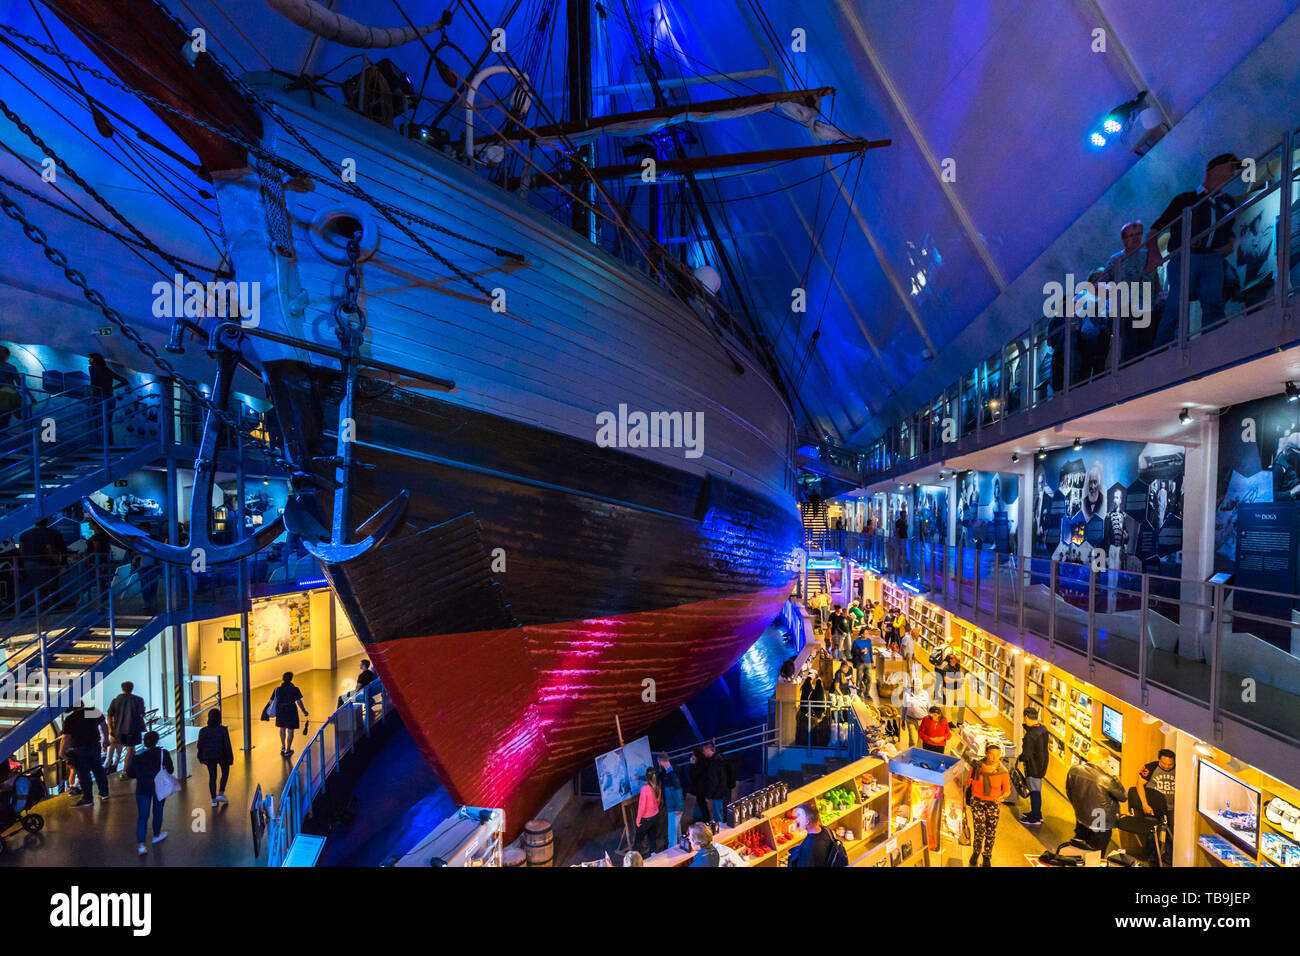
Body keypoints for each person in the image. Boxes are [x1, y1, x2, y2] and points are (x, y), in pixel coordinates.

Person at [1147, 152, 1241, 350]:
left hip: (1212, 258)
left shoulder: (1227, 202)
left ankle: (1212, 344)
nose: (1233, 172)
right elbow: (1156, 228)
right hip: (1185, 256)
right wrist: (1154, 254)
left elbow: (1230, 229)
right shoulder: (1186, 199)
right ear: (1215, 169)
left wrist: (1229, 243)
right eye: (1230, 167)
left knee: (1213, 301)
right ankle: (1160, 349)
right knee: (1176, 304)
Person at [1100, 219, 1161, 358]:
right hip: (1126, 309)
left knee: (1147, 344)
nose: (1135, 238)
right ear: (1124, 239)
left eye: (1138, 234)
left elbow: (1154, 279)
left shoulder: (1147, 255)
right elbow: (1102, 282)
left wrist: (1159, 295)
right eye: (1131, 235)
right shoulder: (1117, 259)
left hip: (1147, 307)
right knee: (1130, 346)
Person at [1065, 760, 1127, 853]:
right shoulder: (1106, 778)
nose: (1108, 764)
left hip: (1081, 816)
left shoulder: (1074, 770)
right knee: (1096, 854)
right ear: (1101, 761)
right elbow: (1123, 796)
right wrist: (1114, 777)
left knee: (1079, 849)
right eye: (1107, 761)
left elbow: (1069, 790)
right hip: (1100, 820)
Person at [127, 730, 173, 855]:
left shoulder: (137, 756)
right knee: (158, 811)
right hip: (159, 787)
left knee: (142, 817)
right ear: (157, 741)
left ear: (144, 742)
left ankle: (141, 845)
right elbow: (171, 769)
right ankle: (156, 835)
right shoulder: (163, 753)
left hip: (142, 788)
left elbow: (130, 774)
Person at [967, 743, 1010, 867]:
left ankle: (987, 857)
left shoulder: (1003, 771)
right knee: (979, 830)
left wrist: (1002, 797)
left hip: (993, 804)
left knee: (991, 832)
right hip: (978, 802)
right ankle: (976, 852)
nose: (995, 758)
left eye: (997, 755)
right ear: (986, 753)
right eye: (992, 754)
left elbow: (1007, 790)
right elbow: (968, 782)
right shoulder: (977, 766)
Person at [60, 703, 110, 806]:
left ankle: (88, 799)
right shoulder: (92, 711)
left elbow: (66, 738)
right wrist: (106, 739)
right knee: (98, 770)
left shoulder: (70, 719)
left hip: (79, 749)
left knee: (83, 775)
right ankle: (104, 793)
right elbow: (104, 725)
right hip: (95, 745)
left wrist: (62, 752)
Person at [262, 672, 309, 756]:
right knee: (290, 730)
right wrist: (304, 711)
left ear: (283, 679)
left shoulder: (277, 689)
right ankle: (288, 749)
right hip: (291, 710)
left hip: (280, 711)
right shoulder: (294, 689)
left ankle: (283, 746)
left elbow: (271, 701)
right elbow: (299, 701)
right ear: (291, 679)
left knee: (282, 729)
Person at [1017, 707, 1049, 825]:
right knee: (1037, 790)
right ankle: (1037, 813)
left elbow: (1026, 754)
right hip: (1042, 765)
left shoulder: (1030, 736)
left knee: (1035, 792)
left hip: (1033, 767)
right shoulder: (1043, 729)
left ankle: (1034, 818)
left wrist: (1020, 758)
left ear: (1026, 717)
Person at [87, 352, 128, 446]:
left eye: (91, 358)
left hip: (100, 398)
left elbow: (94, 382)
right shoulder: (108, 370)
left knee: (98, 421)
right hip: (110, 398)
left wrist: (92, 394)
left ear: (95, 359)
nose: (89, 360)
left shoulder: (92, 368)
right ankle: (110, 444)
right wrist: (113, 388)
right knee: (107, 422)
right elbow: (125, 381)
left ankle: (100, 444)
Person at [106, 681, 146, 775]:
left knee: (128, 750)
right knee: (130, 749)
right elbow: (141, 714)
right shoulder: (138, 699)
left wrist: (111, 729)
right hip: (132, 728)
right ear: (132, 688)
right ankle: (125, 771)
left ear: (122, 688)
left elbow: (109, 715)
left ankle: (131, 768)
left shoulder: (115, 700)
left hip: (118, 730)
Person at [196, 708, 234, 807]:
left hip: (209, 756)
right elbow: (227, 745)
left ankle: (213, 800)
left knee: (212, 777)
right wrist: (230, 758)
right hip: (222, 755)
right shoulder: (223, 730)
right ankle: (221, 793)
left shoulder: (203, 731)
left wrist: (200, 757)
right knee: (225, 771)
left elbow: (200, 745)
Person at [789, 801, 835, 867]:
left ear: (807, 821)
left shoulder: (808, 847)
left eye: (799, 816)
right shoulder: (826, 830)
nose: (797, 819)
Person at [1137, 749, 1176, 826]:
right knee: (1151, 831)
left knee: (1171, 833)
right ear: (1159, 760)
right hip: (1153, 807)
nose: (1167, 766)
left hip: (1171, 808)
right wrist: (1145, 804)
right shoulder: (1150, 767)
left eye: (1170, 764)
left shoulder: (1179, 770)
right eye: (1164, 763)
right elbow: (1139, 784)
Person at [656, 752, 684, 849]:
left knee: (672, 835)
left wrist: (678, 807)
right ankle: (682, 849)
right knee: (677, 831)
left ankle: (671, 857)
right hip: (673, 807)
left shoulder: (672, 774)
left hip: (674, 808)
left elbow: (678, 790)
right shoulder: (670, 772)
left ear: (660, 761)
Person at [634, 767, 661, 857]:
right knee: (652, 839)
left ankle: (634, 860)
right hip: (655, 816)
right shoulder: (657, 787)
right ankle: (654, 857)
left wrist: (638, 820)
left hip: (646, 819)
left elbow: (642, 807)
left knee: (638, 841)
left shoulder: (644, 789)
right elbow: (658, 802)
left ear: (647, 777)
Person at [935, 653, 966, 723]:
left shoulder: (958, 666)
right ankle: (949, 722)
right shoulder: (946, 668)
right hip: (949, 688)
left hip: (958, 688)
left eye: (954, 658)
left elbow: (961, 674)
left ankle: (960, 721)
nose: (953, 659)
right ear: (949, 660)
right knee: (949, 705)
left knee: (962, 705)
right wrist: (956, 679)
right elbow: (946, 679)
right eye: (951, 658)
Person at [901, 680, 930, 747]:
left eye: (920, 686)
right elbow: (904, 707)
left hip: (923, 721)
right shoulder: (907, 694)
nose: (919, 688)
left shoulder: (925, 694)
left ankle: (918, 755)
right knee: (913, 741)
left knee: (921, 742)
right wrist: (903, 720)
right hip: (911, 720)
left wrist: (930, 721)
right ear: (913, 686)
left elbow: (929, 707)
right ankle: (911, 754)